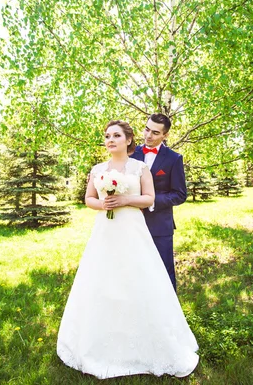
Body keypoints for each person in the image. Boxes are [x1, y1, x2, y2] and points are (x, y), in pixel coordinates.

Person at [56, 120, 199, 379]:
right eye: (107, 135)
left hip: (134, 229)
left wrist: (125, 200)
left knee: (140, 279)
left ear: (128, 139)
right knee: (104, 280)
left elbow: (150, 198)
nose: (110, 140)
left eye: (116, 135)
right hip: (105, 231)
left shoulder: (140, 167)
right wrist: (104, 205)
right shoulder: (97, 169)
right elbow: (88, 199)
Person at [131, 114, 186, 291]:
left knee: (163, 271)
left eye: (155, 132)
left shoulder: (173, 159)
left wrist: (150, 201)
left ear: (165, 135)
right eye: (147, 129)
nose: (148, 135)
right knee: (135, 270)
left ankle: (170, 316)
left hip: (160, 225)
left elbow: (179, 194)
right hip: (130, 222)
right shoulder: (131, 154)